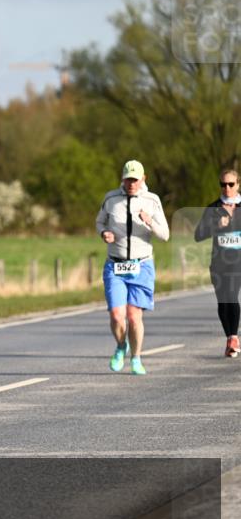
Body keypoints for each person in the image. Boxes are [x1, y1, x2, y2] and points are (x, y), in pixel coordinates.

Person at [95, 159, 170, 375]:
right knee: (117, 316)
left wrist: (149, 222)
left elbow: (165, 235)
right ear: (122, 179)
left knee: (134, 317)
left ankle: (136, 357)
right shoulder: (111, 199)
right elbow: (99, 222)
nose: (131, 184)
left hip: (141, 266)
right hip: (115, 266)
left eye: (135, 180)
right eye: (128, 179)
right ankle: (121, 347)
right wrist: (104, 233)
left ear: (143, 179)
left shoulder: (152, 200)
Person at [193, 169, 241, 358]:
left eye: (230, 184)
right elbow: (198, 235)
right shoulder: (213, 208)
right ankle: (230, 337)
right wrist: (216, 226)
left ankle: (234, 337)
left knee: (231, 295)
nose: (226, 188)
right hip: (219, 262)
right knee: (223, 300)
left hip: (238, 262)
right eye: (223, 184)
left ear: (238, 184)